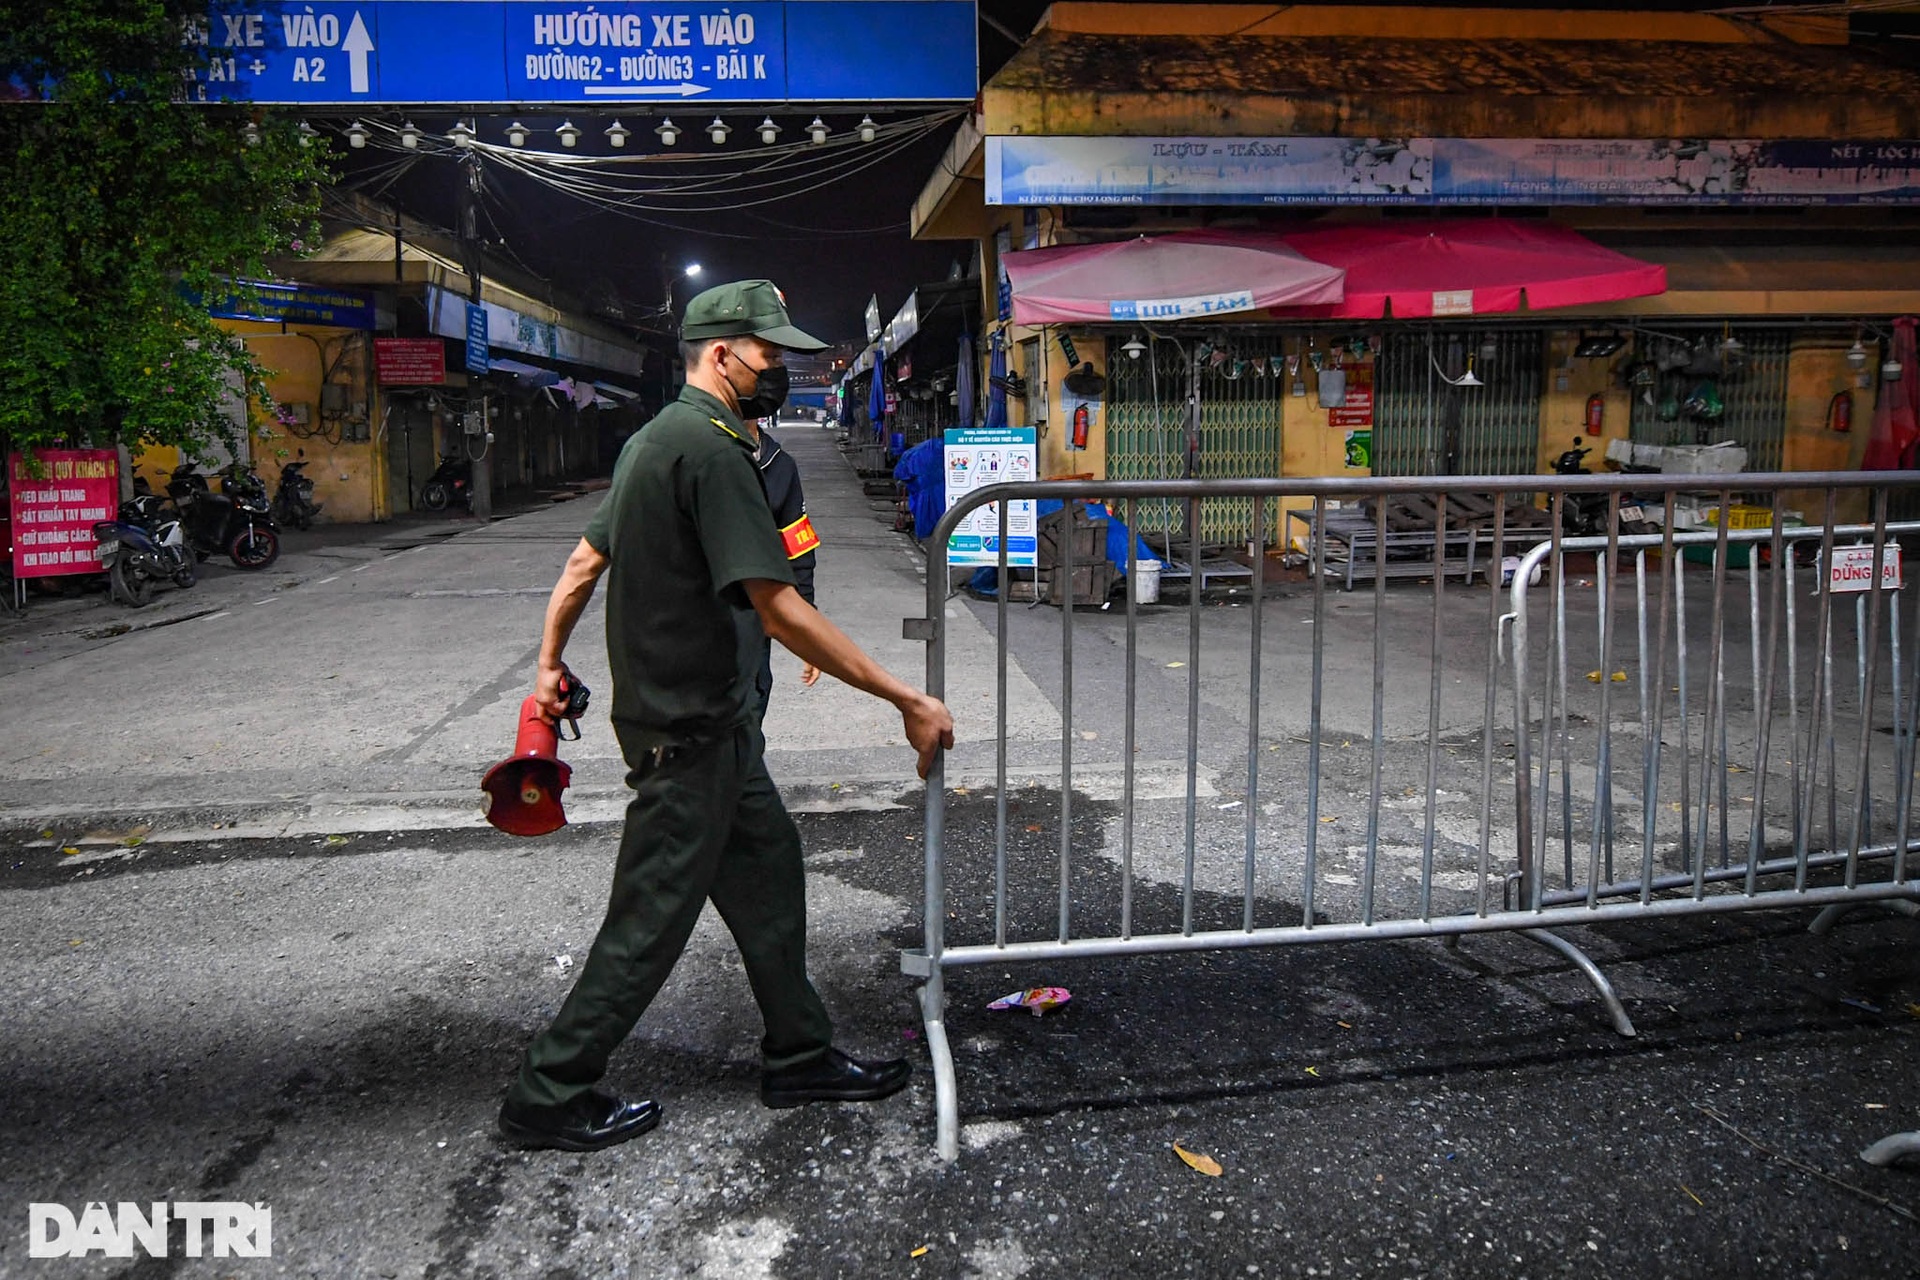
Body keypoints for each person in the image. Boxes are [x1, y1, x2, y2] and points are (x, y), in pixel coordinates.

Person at [496, 279, 955, 1153]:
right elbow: (778, 606)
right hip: (689, 726)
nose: (779, 365)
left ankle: (799, 1052)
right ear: (721, 354)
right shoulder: (709, 451)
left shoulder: (654, 443)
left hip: (717, 726)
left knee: (771, 872)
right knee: (651, 915)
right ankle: (548, 1089)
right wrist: (907, 698)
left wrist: (552, 660)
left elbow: (582, 561)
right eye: (768, 351)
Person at [753, 423, 821, 720]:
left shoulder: (779, 466)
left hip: (751, 626)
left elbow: (799, 553)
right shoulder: (685, 452)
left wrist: (808, 634)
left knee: (748, 725)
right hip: (688, 629)